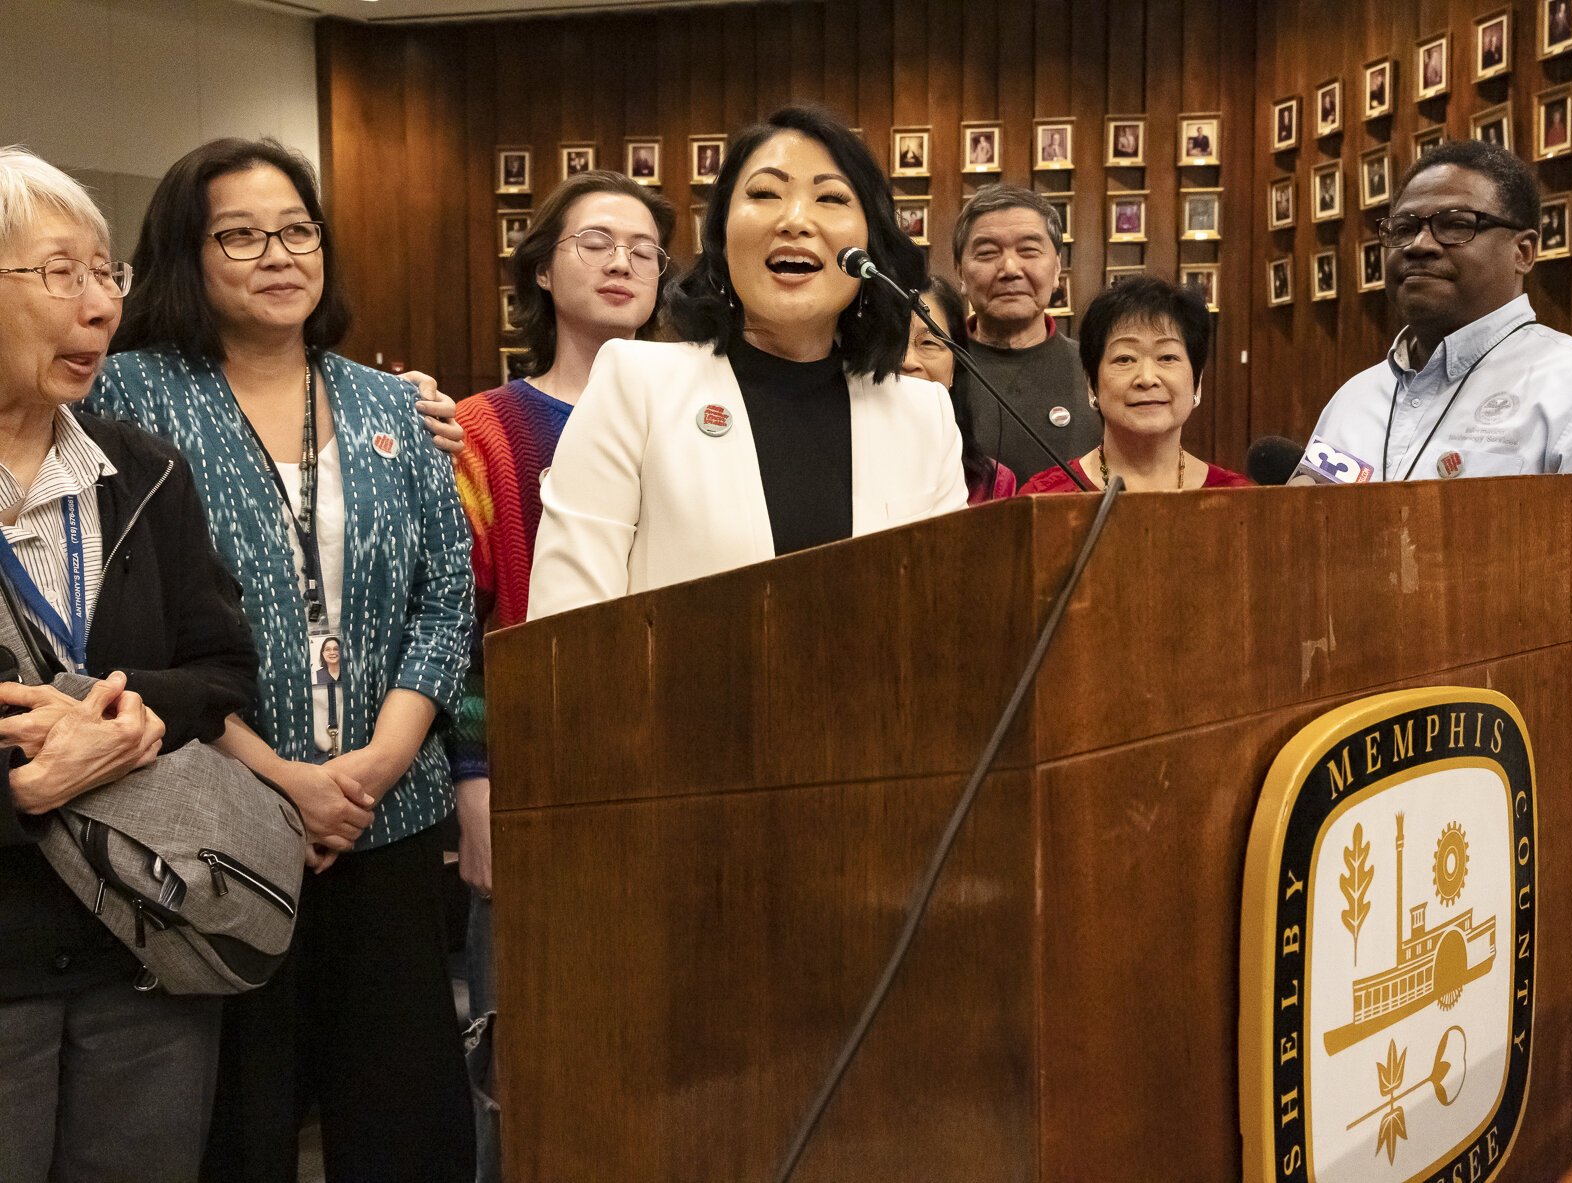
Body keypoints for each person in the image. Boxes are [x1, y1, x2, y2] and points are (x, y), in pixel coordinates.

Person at [88, 137, 476, 1182]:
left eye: (297, 230)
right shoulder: (126, 401)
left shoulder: (392, 404)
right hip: (216, 815)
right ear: (187, 255)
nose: (278, 255)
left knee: (403, 1111)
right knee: (239, 1120)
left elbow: (447, 597)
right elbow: (139, 622)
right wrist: (288, 781)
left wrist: (373, 767)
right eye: (241, 236)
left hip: (389, 814)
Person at [1309, 139, 1572, 818]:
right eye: (1402, 226)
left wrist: (1568, 806)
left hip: (1505, 798)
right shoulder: (1352, 401)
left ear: (1525, 251)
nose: (1419, 243)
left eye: (1455, 224)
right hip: (1341, 788)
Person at [0, 145, 258, 1183]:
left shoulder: (142, 469)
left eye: (109, 274)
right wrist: (21, 787)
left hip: (146, 952)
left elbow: (225, 669)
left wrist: (120, 719)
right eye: (63, 271)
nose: (101, 305)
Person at [529, 104, 964, 615]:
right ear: (722, 236)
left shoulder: (924, 416)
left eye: (830, 197)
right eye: (764, 194)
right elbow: (566, 624)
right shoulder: (635, 385)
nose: (795, 220)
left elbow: (943, 618)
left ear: (869, 244)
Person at [449, 170, 673, 1043]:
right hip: (537, 764)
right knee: (531, 1047)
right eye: (596, 242)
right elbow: (462, 625)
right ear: (542, 269)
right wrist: (477, 784)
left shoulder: (699, 414)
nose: (623, 262)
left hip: (671, 757)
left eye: (644, 250)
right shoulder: (484, 429)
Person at [1020, 277, 1250, 495]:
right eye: (1125, 359)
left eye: (1167, 357)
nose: (1147, 378)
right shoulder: (1045, 497)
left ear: (1197, 382)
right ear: (1092, 384)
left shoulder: (1238, 497)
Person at [951, 185, 1097, 483]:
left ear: (1057, 268)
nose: (1009, 268)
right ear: (960, 272)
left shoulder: (1097, 369)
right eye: (988, 253)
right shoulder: (934, 368)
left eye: (1029, 250)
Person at [901, 276, 1015, 503]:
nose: (907, 361)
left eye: (928, 343)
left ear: (955, 366)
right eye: (892, 342)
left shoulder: (990, 482)